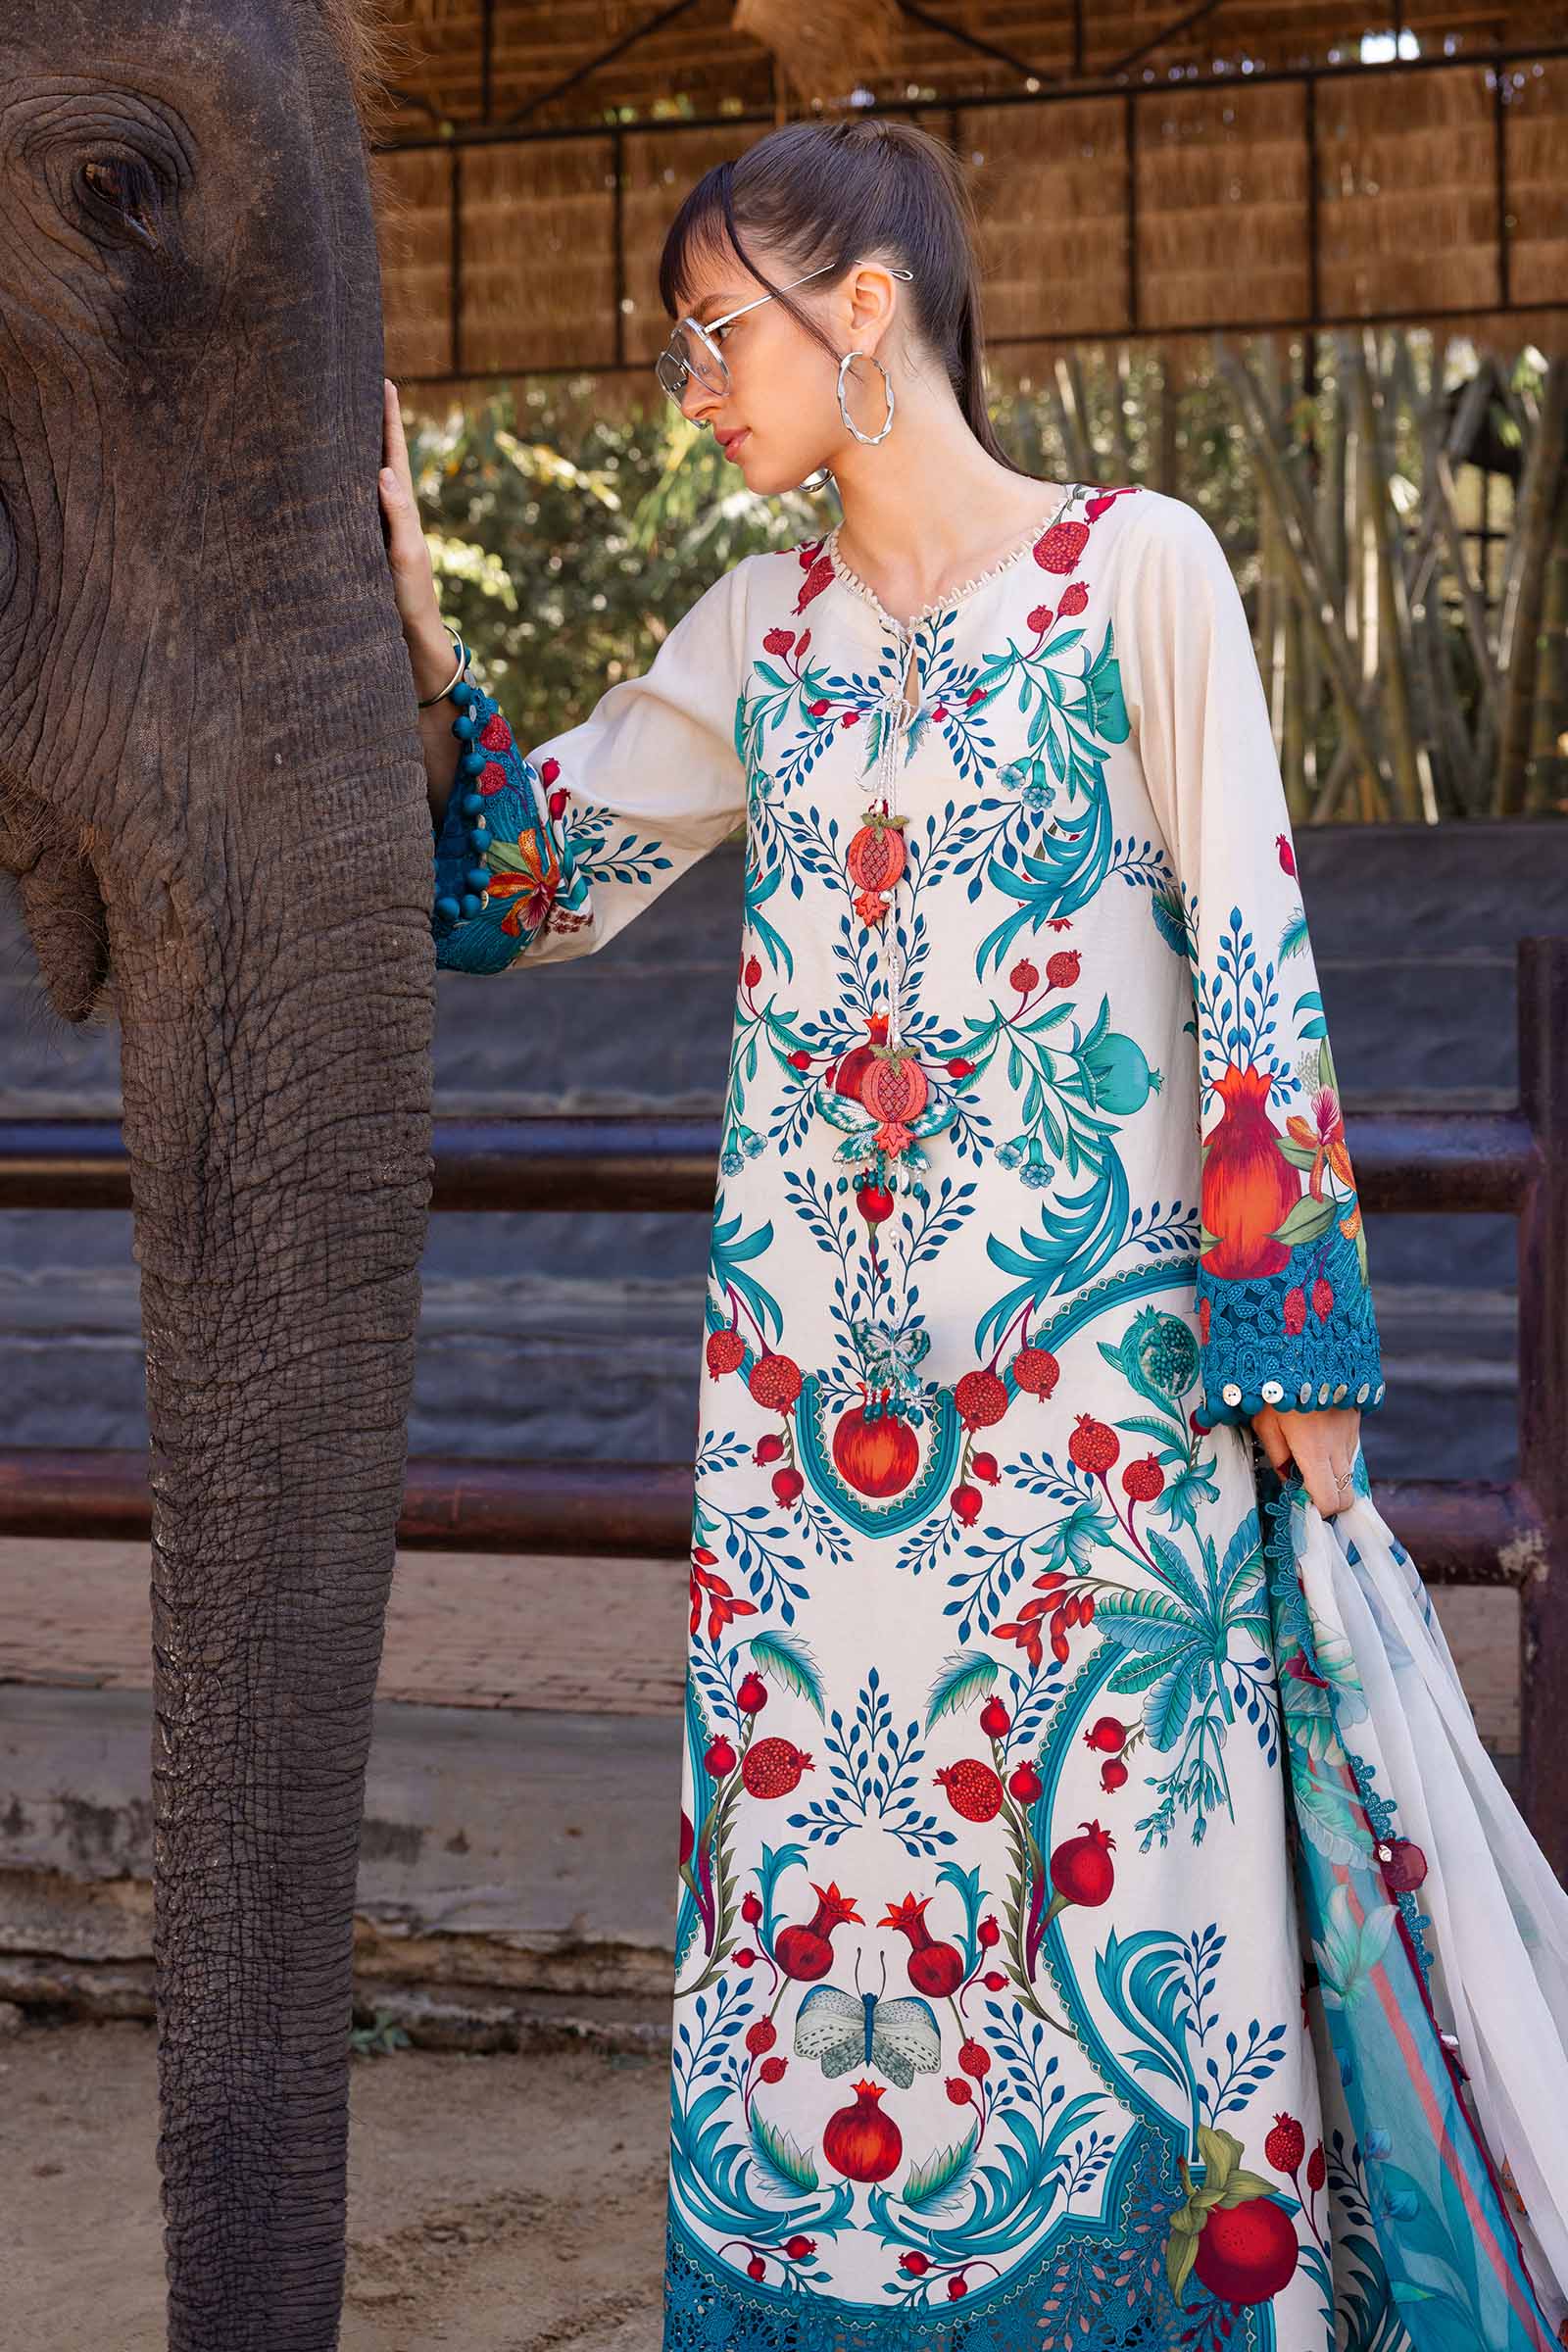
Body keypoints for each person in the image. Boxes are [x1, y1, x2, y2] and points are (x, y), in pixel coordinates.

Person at [378, 116, 1568, 2352]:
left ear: (863, 310)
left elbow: (1254, 954)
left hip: (1102, 1433)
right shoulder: (761, 631)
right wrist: (427, 639)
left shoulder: (1139, 571)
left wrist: (1298, 1359)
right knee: (832, 1928)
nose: (691, 390)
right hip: (805, 1470)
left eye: (711, 337)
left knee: (1142, 1915)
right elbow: (520, 893)